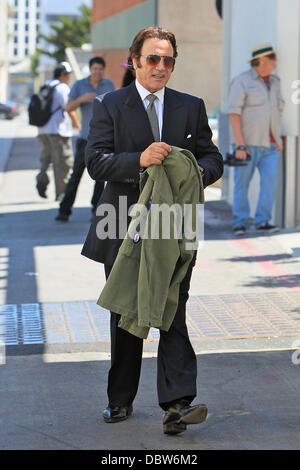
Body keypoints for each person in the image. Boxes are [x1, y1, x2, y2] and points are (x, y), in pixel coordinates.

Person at [82, 27, 223, 435]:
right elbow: (96, 162)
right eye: (153, 59)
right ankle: (119, 401)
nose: (161, 66)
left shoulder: (191, 106)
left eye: (168, 60)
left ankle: (178, 404)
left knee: (173, 310)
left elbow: (212, 156)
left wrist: (197, 171)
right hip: (122, 223)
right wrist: (139, 159)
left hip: (175, 227)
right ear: (135, 61)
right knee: (126, 311)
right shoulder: (110, 104)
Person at [227, 43, 284, 236]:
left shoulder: (275, 82)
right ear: (260, 61)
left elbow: (276, 112)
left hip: (271, 146)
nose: (275, 62)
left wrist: (278, 138)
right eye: (272, 59)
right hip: (247, 145)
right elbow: (233, 113)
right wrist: (240, 144)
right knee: (242, 185)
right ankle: (240, 222)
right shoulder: (241, 81)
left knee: (269, 184)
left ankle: (262, 221)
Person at [55, 57, 115, 221]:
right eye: (94, 68)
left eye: (100, 69)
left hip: (104, 138)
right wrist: (82, 99)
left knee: (101, 177)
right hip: (85, 138)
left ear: (103, 70)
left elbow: (115, 109)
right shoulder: (79, 85)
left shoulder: (108, 85)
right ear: (90, 69)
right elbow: (68, 108)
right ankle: (64, 210)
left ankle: (97, 210)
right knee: (76, 175)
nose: (97, 71)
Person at [36, 61, 80, 201]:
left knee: (46, 160)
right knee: (63, 162)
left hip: (42, 130)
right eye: (68, 75)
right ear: (62, 75)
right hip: (58, 131)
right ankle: (61, 194)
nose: (69, 77)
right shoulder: (62, 87)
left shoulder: (46, 85)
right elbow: (68, 107)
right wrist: (78, 124)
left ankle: (41, 180)